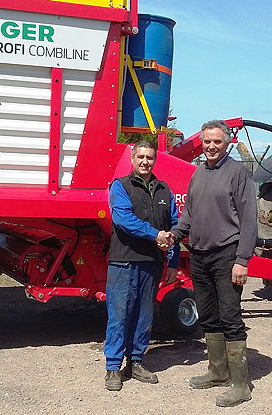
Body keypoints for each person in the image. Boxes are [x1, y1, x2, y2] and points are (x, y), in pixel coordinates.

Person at [166, 120, 257, 406]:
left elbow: (249, 220)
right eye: (207, 141)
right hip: (199, 254)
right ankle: (217, 371)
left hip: (227, 255)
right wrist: (175, 234)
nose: (211, 146)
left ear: (227, 142)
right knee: (207, 315)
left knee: (230, 316)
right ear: (202, 142)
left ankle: (240, 385)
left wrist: (242, 260)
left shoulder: (237, 173)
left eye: (217, 141)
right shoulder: (199, 173)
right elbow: (190, 214)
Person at [104, 140, 179, 391]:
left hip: (152, 264)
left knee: (144, 316)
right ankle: (113, 367)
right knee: (119, 315)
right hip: (124, 261)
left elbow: (174, 227)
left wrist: (173, 261)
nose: (145, 162)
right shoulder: (120, 187)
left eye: (150, 158)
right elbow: (123, 219)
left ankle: (136, 362)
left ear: (155, 160)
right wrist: (155, 235)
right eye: (141, 157)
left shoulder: (164, 190)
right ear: (132, 160)